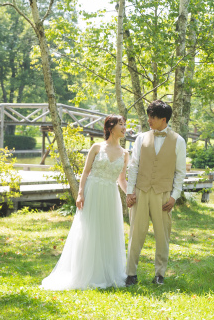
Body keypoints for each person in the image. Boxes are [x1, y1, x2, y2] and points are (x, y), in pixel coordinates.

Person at [40, 115, 129, 290]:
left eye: (125, 124)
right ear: (110, 128)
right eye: (121, 124)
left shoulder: (125, 154)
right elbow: (86, 172)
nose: (124, 127)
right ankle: (85, 272)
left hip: (111, 195)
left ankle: (106, 272)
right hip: (93, 192)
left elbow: (122, 180)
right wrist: (80, 193)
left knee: (108, 231)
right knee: (89, 230)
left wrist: (131, 195)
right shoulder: (97, 147)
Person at [125, 100, 186, 286]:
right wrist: (130, 191)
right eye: (149, 115)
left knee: (162, 235)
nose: (149, 120)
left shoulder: (179, 140)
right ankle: (130, 274)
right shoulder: (141, 138)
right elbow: (133, 165)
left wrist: (174, 196)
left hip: (163, 195)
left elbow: (180, 172)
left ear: (163, 119)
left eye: (153, 116)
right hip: (141, 191)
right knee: (136, 233)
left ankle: (160, 274)